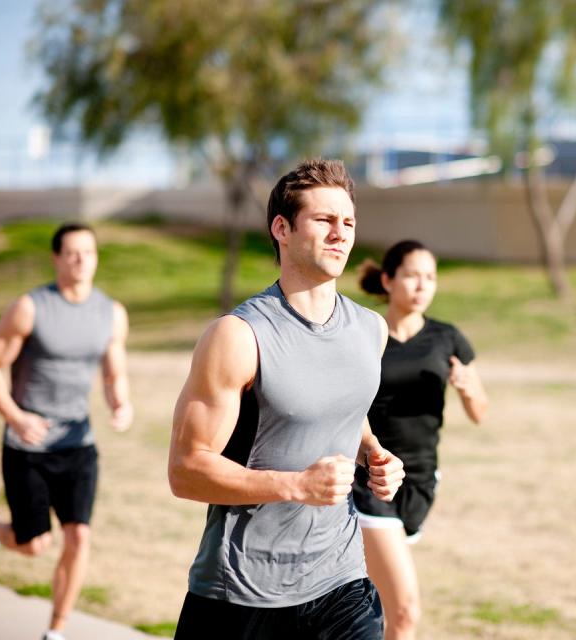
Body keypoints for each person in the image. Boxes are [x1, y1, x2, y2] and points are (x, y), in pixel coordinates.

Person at [168, 158, 405, 640]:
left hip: (341, 579)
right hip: (242, 591)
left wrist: (373, 453)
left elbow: (344, 409)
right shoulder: (239, 336)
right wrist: (296, 485)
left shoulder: (371, 330)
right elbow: (186, 470)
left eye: (349, 223)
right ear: (282, 228)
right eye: (324, 220)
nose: (341, 234)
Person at [0, 222, 133, 640]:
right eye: (72, 253)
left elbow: (113, 373)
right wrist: (15, 416)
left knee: (79, 536)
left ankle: (56, 631)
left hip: (77, 444)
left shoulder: (111, 313)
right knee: (33, 544)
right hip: (27, 444)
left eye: (89, 252)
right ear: (56, 258)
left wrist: (120, 403)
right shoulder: (31, 307)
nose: (82, 260)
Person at [353, 240, 488, 640]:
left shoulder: (448, 338)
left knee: (374, 600)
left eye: (430, 277)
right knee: (405, 611)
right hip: (371, 476)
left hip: (422, 481)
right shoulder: (365, 333)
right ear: (388, 280)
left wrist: (466, 389)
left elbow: (480, 411)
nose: (422, 286)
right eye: (412, 275)